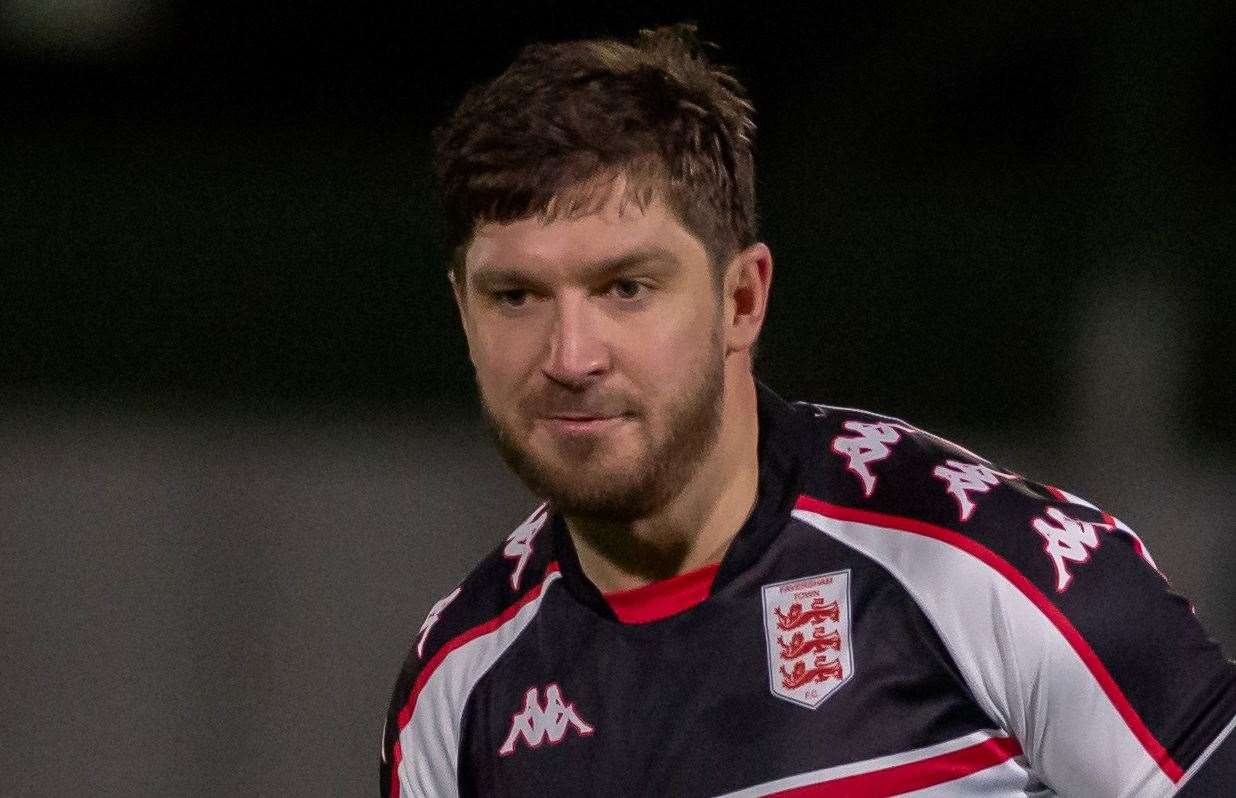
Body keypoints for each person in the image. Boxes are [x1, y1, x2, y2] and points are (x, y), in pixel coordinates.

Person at [379, 23, 1235, 796]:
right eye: (517, 296)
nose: (569, 357)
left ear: (742, 299)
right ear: (463, 312)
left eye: (627, 288)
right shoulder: (459, 689)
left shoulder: (989, 567)